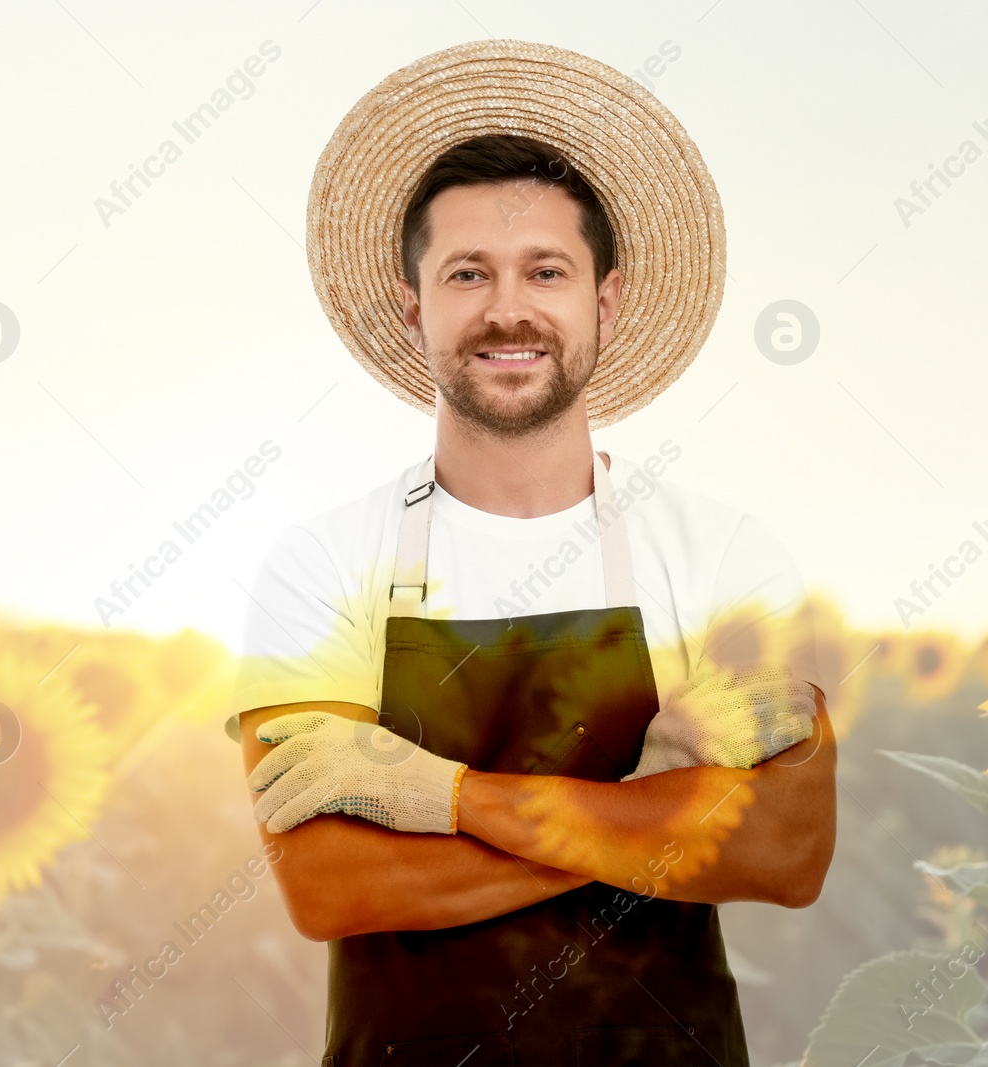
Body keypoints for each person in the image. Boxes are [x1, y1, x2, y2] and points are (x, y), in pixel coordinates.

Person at [225, 40, 836, 1067]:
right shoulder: (320, 564)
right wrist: (652, 816)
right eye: (468, 273)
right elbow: (329, 884)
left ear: (605, 301)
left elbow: (785, 852)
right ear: (412, 306)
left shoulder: (725, 553)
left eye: (544, 271)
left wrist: (436, 797)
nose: (507, 308)